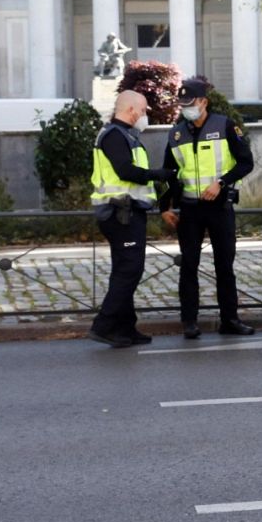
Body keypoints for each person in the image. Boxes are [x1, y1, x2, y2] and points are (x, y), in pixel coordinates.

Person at [159, 79, 256, 339]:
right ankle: (189, 322)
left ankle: (230, 320)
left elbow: (246, 163)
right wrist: (164, 206)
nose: (185, 109)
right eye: (182, 105)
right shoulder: (176, 133)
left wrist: (222, 182)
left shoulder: (225, 126)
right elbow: (169, 173)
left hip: (219, 207)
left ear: (203, 102)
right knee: (188, 265)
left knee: (224, 266)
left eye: (190, 104)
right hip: (190, 210)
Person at [89, 91, 177, 348]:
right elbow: (125, 171)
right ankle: (103, 325)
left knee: (124, 270)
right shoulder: (114, 136)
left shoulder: (126, 135)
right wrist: (158, 174)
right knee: (130, 270)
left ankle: (125, 328)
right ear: (131, 110)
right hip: (120, 213)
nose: (145, 115)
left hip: (128, 212)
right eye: (144, 110)